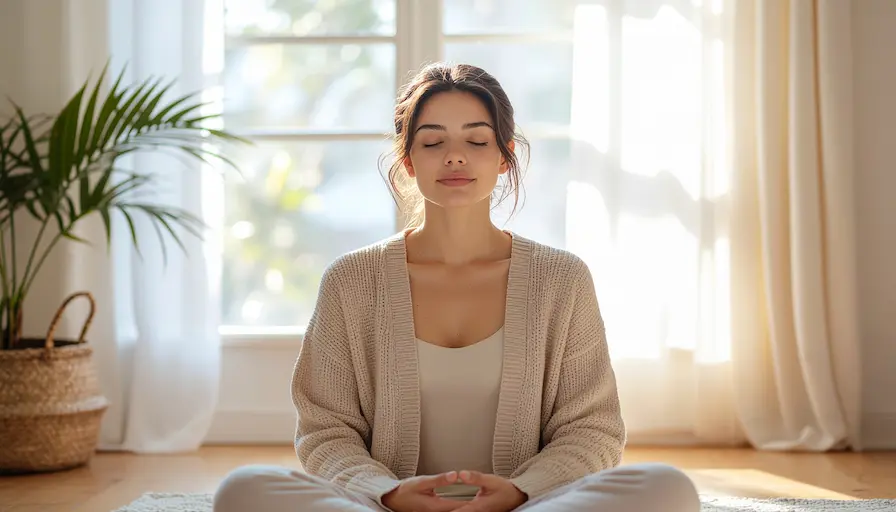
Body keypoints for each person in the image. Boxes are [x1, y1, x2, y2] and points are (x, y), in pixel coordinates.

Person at [213, 62, 701, 512]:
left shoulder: (562, 279)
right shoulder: (351, 280)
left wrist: (517, 491)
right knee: (246, 488)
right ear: (407, 161)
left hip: (525, 507)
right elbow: (326, 433)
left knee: (665, 486)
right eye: (431, 143)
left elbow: (591, 429)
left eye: (477, 141)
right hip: (393, 508)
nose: (454, 157)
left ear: (505, 157)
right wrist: (391, 494)